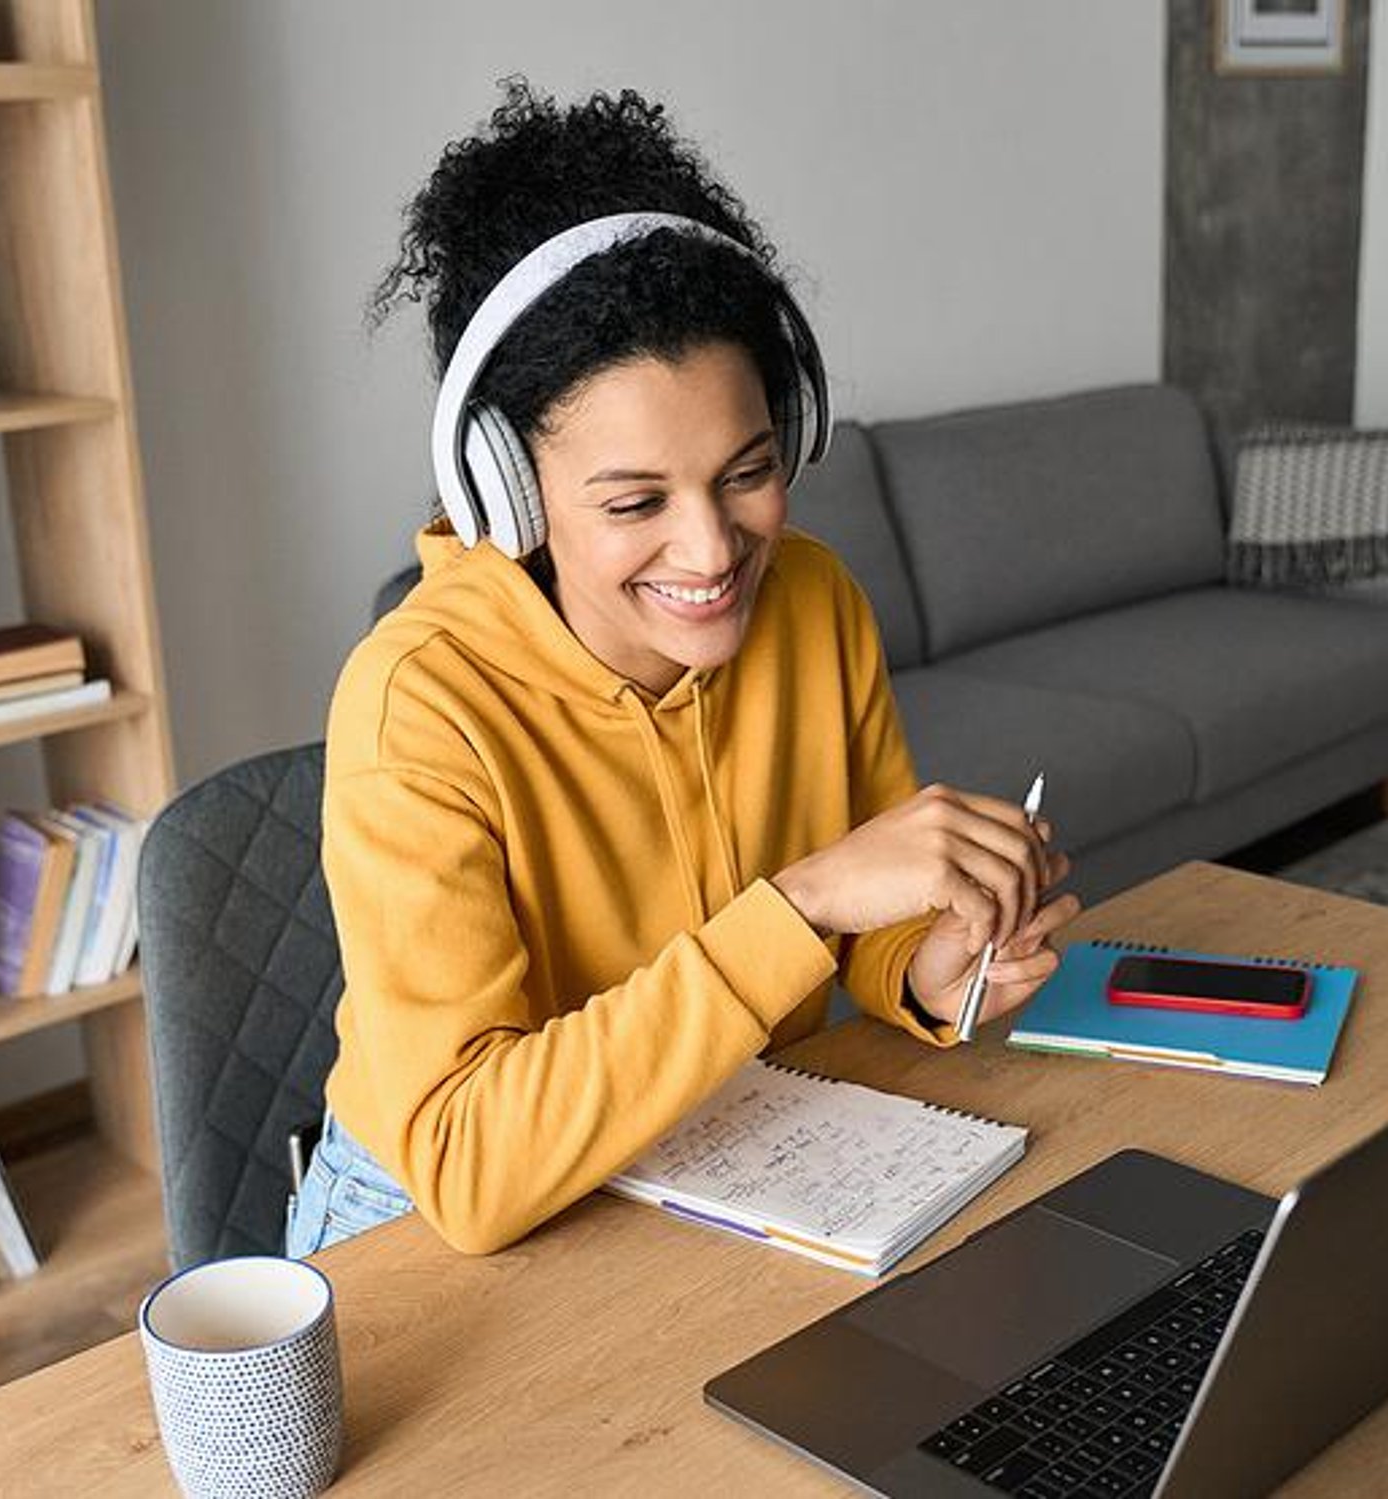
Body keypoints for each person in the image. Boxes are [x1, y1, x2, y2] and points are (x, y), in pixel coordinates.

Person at [288, 81, 1078, 1258]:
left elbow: (864, 930)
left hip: (728, 1145)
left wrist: (928, 962)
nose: (713, 550)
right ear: (508, 497)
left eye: (746, 471)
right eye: (634, 501)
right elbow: (467, 1159)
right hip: (434, 1218)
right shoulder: (419, 704)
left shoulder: (812, 600)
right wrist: (802, 901)